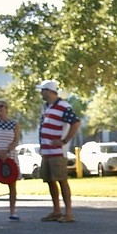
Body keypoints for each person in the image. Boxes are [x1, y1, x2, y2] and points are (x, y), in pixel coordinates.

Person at [37, 80, 80, 223]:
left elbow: (75, 123)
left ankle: (68, 212)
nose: (41, 93)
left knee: (62, 180)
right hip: (46, 151)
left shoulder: (64, 106)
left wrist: (64, 140)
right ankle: (56, 210)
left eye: (43, 90)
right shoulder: (46, 107)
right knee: (50, 180)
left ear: (50, 91)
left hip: (57, 151)